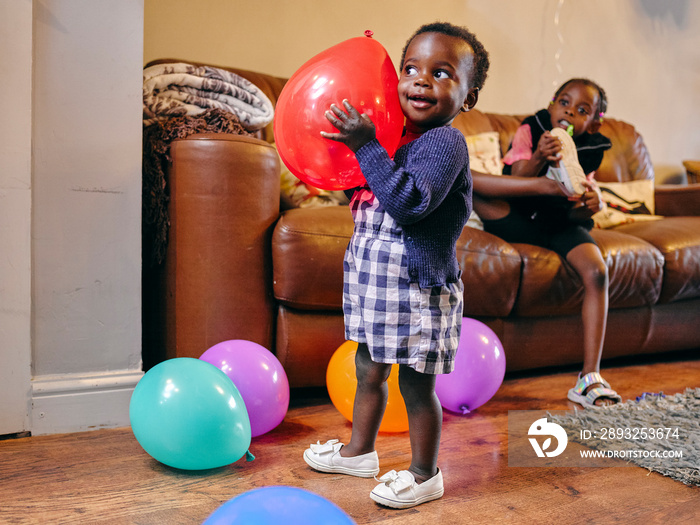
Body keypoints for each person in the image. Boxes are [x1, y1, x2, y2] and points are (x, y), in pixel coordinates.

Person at [302, 22, 490, 509]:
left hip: (418, 289)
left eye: (442, 73)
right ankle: (358, 453)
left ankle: (426, 474)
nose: (421, 81)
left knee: (415, 382)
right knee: (368, 367)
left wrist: (365, 146)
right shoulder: (388, 138)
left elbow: (408, 203)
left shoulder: (444, 145)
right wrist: (352, 151)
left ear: (468, 97)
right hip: (374, 282)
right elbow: (366, 193)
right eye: (411, 68)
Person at [472, 78, 622, 408]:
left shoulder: (593, 148)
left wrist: (593, 200)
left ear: (594, 121)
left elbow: (586, 189)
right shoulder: (532, 129)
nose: (569, 111)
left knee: (597, 272)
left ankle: (589, 377)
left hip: (560, 223)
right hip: (519, 216)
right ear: (552, 104)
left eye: (582, 110)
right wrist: (540, 156)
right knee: (472, 188)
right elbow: (515, 179)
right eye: (564, 102)